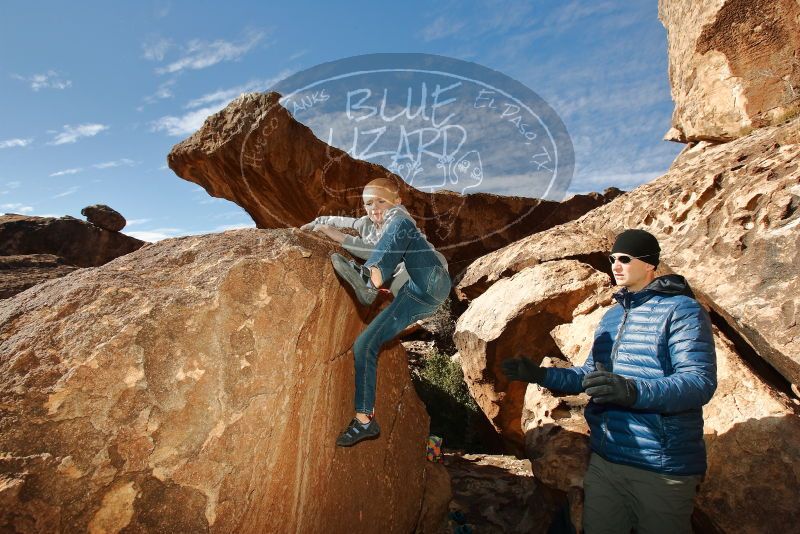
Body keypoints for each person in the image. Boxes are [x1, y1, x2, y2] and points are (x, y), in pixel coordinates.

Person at [501, 229, 717, 534]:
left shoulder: (682, 311)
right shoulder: (613, 317)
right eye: (612, 259)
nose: (616, 265)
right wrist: (540, 375)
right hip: (606, 460)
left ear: (649, 264)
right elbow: (587, 377)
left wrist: (632, 391)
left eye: (625, 259)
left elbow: (698, 382)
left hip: (661, 466)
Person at [301, 178, 451, 447]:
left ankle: (370, 281)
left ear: (396, 202)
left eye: (381, 201)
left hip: (431, 277)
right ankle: (364, 421)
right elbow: (333, 219)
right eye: (369, 203)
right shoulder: (365, 223)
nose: (375, 208)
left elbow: (371, 247)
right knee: (364, 345)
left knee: (400, 229)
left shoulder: (400, 219)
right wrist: (316, 225)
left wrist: (340, 239)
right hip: (415, 300)